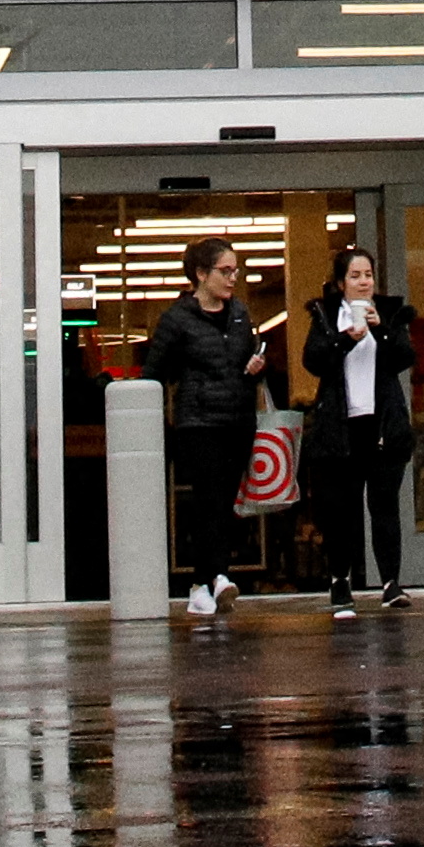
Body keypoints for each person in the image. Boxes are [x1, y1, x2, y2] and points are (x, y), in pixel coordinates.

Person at [300, 241, 424, 616]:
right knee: (339, 510)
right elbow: (314, 361)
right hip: (340, 430)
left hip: (382, 427)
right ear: (341, 283)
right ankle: (340, 582)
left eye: (368, 275)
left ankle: (390, 582)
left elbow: (405, 359)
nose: (363, 282)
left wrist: (380, 331)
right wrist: (346, 339)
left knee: (384, 506)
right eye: (355, 276)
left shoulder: (391, 314)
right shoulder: (325, 316)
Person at [142, 239, 258, 621]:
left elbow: (246, 358)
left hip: (237, 419)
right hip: (198, 423)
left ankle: (207, 582)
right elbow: (153, 374)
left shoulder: (239, 314)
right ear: (201, 274)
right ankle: (210, 578)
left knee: (225, 503)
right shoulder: (176, 320)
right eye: (225, 271)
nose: (232, 278)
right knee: (208, 501)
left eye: (235, 270)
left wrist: (259, 366)